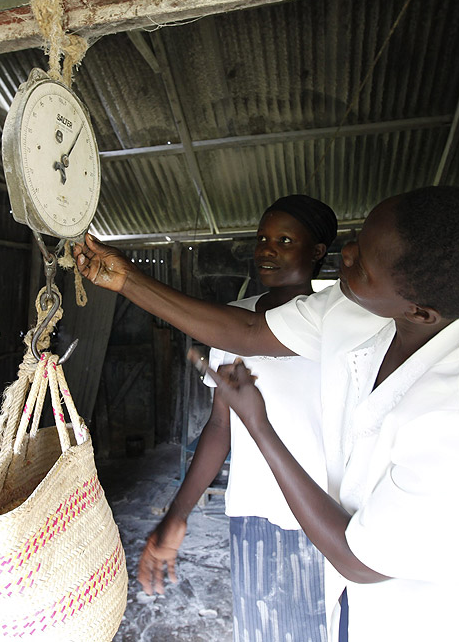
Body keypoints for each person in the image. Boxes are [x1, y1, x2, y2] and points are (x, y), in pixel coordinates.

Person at [72, 186, 459, 641]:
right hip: (360, 596)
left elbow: (359, 559)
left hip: (446, 622)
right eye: (356, 241)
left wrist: (259, 427)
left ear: (419, 311)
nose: (346, 255)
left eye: (363, 263)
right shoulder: (360, 310)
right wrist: (125, 278)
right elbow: (244, 332)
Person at [138, 195, 368, 642]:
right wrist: (178, 514)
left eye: (285, 239)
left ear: (318, 251)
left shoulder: (342, 321)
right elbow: (220, 428)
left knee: (326, 630)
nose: (267, 249)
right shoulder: (233, 318)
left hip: (324, 515)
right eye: (263, 238)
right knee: (264, 631)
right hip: (254, 513)